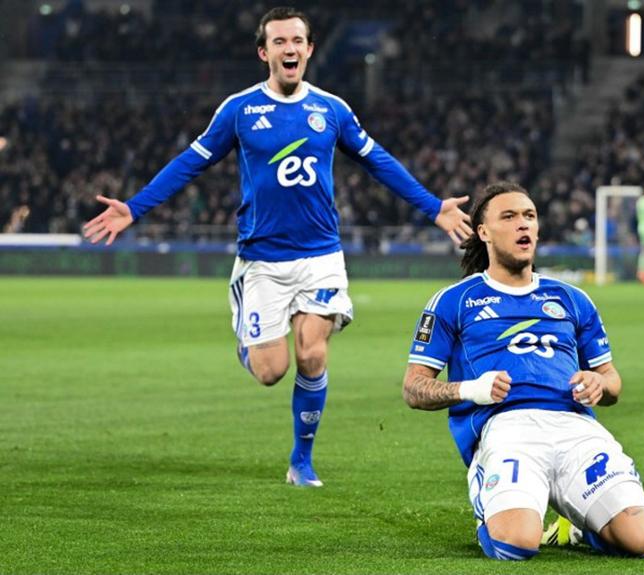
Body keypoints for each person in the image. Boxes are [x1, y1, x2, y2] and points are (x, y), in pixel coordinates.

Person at [83, 6, 471, 488]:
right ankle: (249, 339)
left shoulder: (332, 109)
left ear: (309, 49)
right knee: (271, 371)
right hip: (263, 261)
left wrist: (434, 207)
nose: (290, 49)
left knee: (312, 354)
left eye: (297, 41)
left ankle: (301, 461)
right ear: (263, 52)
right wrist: (134, 208)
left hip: (320, 257)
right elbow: (190, 162)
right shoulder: (239, 110)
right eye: (279, 42)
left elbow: (379, 161)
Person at [402, 182, 644, 560]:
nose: (523, 224)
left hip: (575, 428)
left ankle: (578, 525)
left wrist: (599, 383)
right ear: (483, 232)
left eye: (529, 216)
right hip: (507, 428)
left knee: (643, 541)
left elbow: (613, 382)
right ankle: (492, 506)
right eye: (509, 217)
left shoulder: (573, 298)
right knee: (516, 543)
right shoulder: (454, 301)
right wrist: (470, 390)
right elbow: (414, 387)